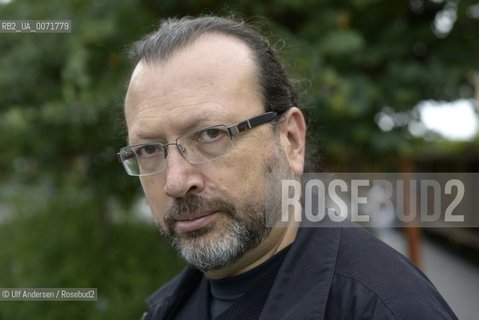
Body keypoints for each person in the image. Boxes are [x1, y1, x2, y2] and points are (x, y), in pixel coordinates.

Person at [117, 15, 458, 320]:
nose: (175, 182)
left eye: (210, 134)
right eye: (148, 149)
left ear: (291, 140)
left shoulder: (389, 307)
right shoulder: (167, 309)